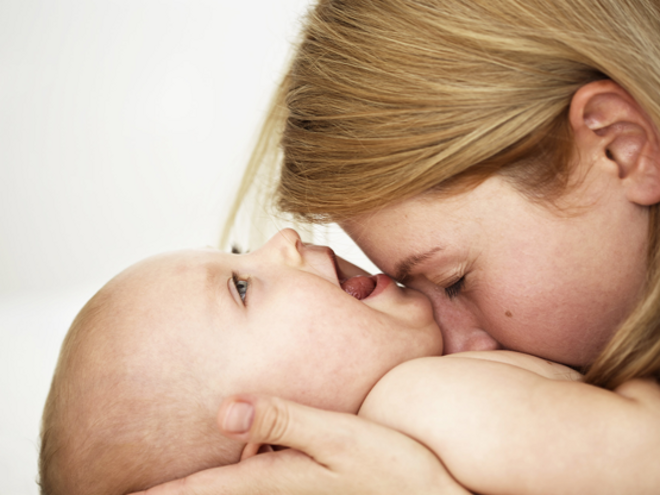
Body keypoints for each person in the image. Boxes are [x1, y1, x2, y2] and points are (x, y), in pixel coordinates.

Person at [142, 0, 660, 493]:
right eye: (239, 284)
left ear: (620, 148)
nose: (449, 340)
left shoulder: (424, 402)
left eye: (454, 279)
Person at [42, 228, 626, 495]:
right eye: (242, 286)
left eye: (243, 254)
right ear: (274, 450)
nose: (285, 238)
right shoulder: (426, 404)